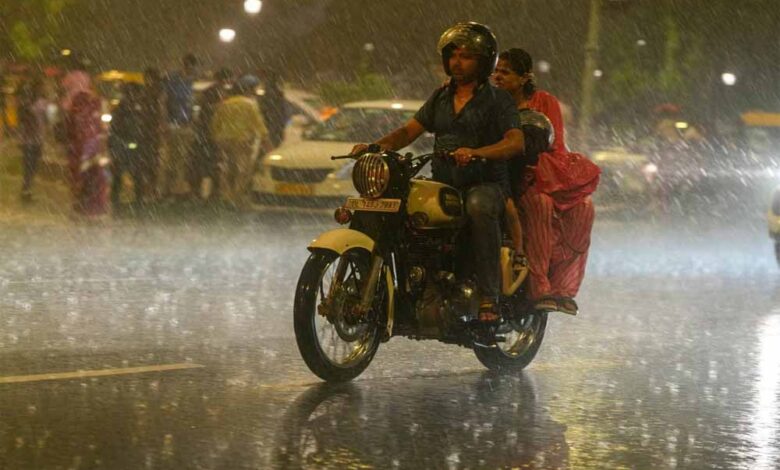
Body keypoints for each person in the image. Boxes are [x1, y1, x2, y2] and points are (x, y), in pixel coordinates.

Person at [351, 22, 524, 323]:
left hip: (485, 184)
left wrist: (477, 153)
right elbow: (409, 131)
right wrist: (375, 147)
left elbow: (515, 142)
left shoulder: (499, 100)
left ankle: (489, 296)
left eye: (466, 56)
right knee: (398, 206)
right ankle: (407, 284)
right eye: (453, 55)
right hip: (445, 183)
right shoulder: (441, 97)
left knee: (478, 206)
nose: (457, 62)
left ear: (484, 61)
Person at [492, 48, 599, 315]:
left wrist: (547, 176)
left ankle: (563, 288)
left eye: (505, 72)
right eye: (496, 71)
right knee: (540, 204)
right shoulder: (491, 102)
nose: (498, 76)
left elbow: (556, 145)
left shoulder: (545, 102)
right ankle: (538, 286)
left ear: (524, 77)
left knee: (584, 208)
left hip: (546, 175)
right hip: (511, 177)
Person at [210, 74, 271, 209]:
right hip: (242, 141)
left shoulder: (225, 104)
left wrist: (216, 138)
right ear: (248, 90)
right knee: (243, 171)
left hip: (224, 141)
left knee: (227, 169)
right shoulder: (250, 105)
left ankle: (226, 197)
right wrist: (267, 143)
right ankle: (237, 199)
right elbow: (259, 125)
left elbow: (215, 123)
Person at [61, 58, 109, 218]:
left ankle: (79, 203)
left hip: (80, 143)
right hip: (93, 143)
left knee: (78, 175)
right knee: (95, 174)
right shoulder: (95, 100)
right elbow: (102, 125)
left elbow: (70, 124)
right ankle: (93, 206)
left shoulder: (74, 101)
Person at [191, 67, 233, 200]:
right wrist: (220, 106)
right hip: (207, 131)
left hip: (214, 132)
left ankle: (213, 191)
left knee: (214, 161)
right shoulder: (212, 92)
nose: (228, 82)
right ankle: (201, 190)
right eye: (227, 79)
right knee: (204, 160)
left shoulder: (221, 92)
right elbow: (206, 110)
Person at [160, 54, 198, 198]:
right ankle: (166, 190)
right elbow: (163, 101)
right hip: (173, 124)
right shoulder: (173, 79)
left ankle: (177, 189)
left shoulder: (190, 81)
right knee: (171, 158)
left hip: (185, 124)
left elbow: (191, 103)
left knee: (182, 159)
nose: (190, 69)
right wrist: (164, 122)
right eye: (189, 66)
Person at [109, 82, 148, 207]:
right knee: (125, 172)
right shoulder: (125, 109)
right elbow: (115, 128)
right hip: (124, 143)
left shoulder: (135, 108)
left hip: (130, 144)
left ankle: (130, 199)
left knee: (131, 172)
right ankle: (122, 199)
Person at [17, 77, 48, 203]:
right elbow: (24, 118)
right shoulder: (29, 102)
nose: (43, 89)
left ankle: (27, 189)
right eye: (41, 87)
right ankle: (26, 190)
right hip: (30, 139)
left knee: (32, 166)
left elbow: (45, 119)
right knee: (29, 166)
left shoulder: (41, 102)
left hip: (37, 138)